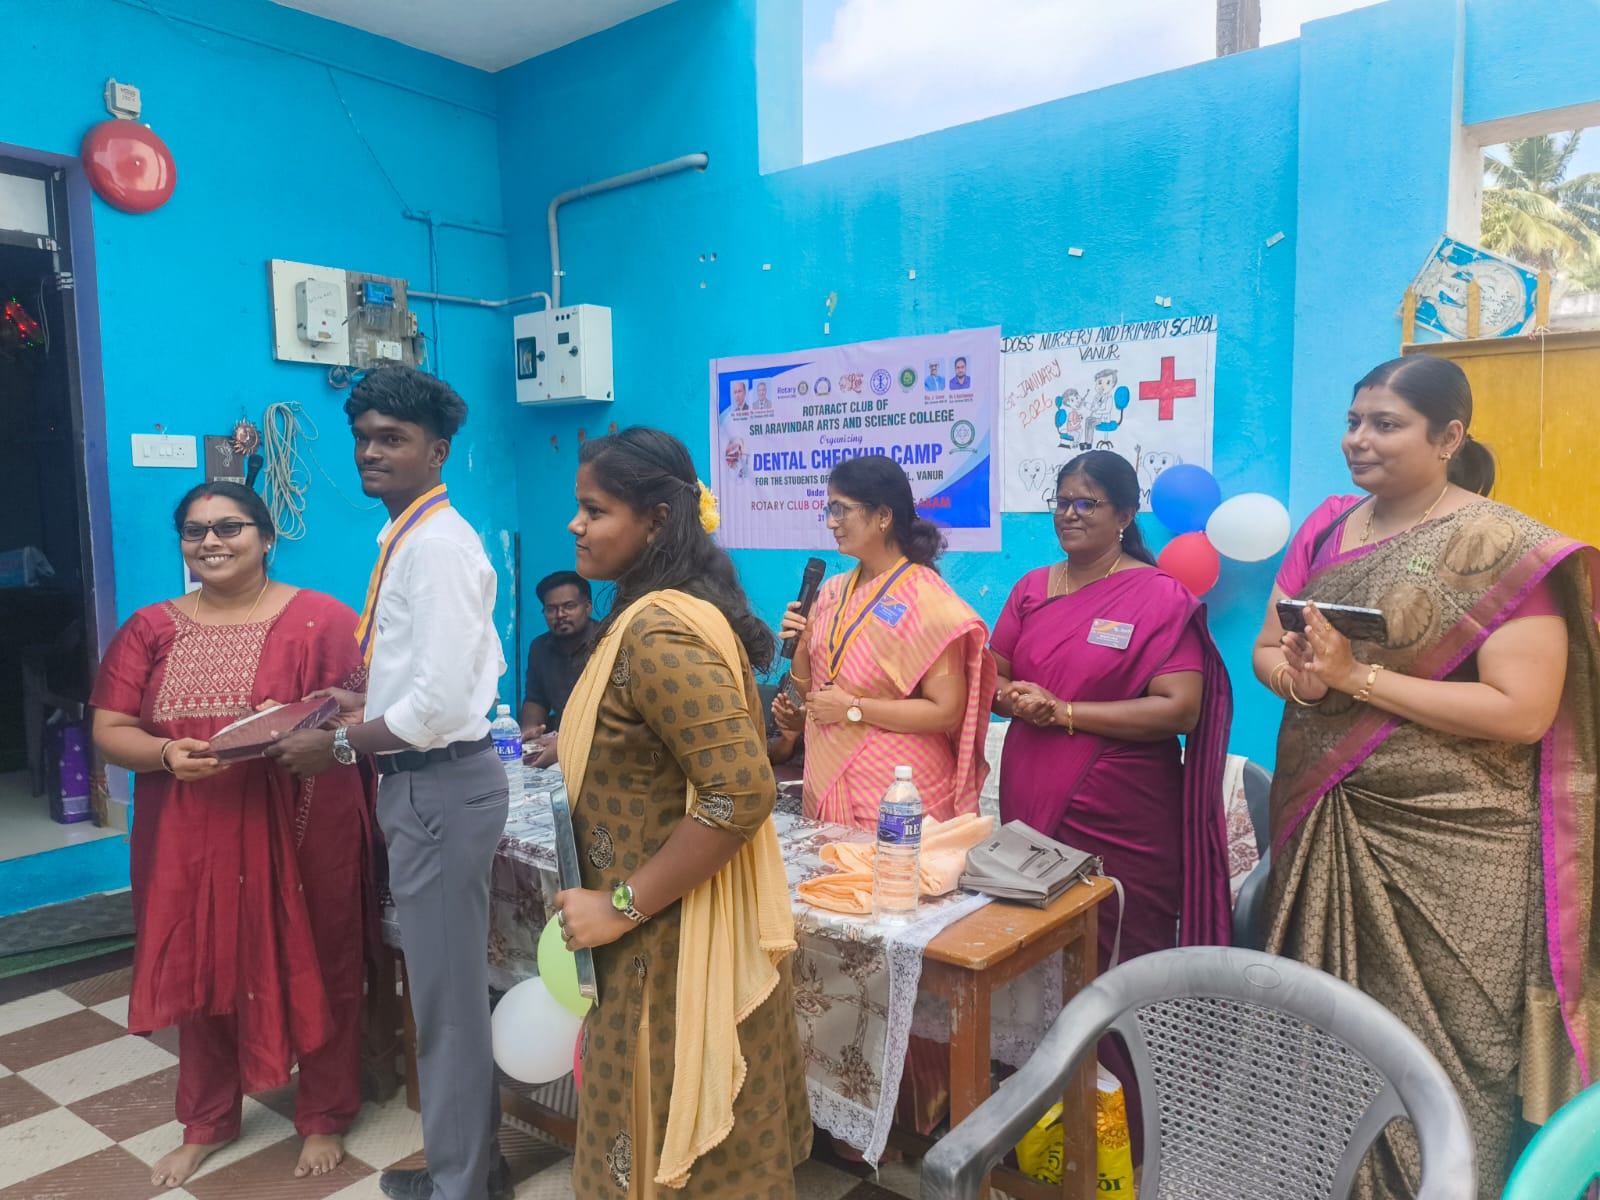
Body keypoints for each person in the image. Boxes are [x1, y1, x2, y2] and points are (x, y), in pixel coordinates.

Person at [1252, 355, 1600, 1198]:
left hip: (1457, 842)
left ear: (1449, 437)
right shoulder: (1326, 531)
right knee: (1324, 1027)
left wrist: (1355, 680)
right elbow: (1268, 648)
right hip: (1331, 814)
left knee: (1448, 1049)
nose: (1358, 440)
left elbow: (1522, 709)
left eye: (1386, 424)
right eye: (1353, 420)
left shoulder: (1499, 544)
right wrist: (1300, 675)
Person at [268, 365, 511, 1200]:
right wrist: (366, 700)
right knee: (445, 996)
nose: (372, 452)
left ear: (437, 451)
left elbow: (441, 706)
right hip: (426, 778)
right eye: (364, 438)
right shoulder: (409, 536)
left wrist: (336, 749)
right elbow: (450, 674)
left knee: (446, 1009)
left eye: (393, 439)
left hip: (437, 781)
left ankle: (462, 1187)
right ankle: (472, 1165)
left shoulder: (436, 546)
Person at [90, 482, 374, 1189]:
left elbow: (368, 710)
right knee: (200, 964)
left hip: (303, 822)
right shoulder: (148, 628)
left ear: (267, 536)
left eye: (229, 527)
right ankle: (207, 1121)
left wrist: (306, 720)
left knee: (322, 953)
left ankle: (325, 1112)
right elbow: (109, 728)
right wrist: (164, 755)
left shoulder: (322, 619)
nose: (210, 542)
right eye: (194, 531)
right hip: (187, 831)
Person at [551, 426, 810, 1198]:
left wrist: (620, 906)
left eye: (594, 510)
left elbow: (740, 792)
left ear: (657, 520)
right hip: (646, 933)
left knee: (667, 1131)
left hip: (663, 941)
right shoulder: (653, 612)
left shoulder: (661, 631)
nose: (576, 525)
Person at [993, 451, 1233, 969]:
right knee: (1028, 935)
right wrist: (1009, 696)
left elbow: (1179, 709)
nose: (1070, 514)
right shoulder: (1031, 588)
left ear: (1124, 516)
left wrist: (1065, 713)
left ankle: (1118, 1051)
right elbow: (992, 673)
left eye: (1087, 503)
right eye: (1062, 503)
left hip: (1122, 808)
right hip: (1030, 784)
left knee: (1114, 936)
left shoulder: (1158, 595)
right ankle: (1043, 1050)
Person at [775, 454, 995, 828]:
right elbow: (815, 691)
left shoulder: (929, 601)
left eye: (841, 510)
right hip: (827, 777)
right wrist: (801, 647)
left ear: (883, 516)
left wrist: (854, 708)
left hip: (898, 794)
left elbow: (946, 711)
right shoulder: (831, 592)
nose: (832, 522)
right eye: (829, 510)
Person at [518, 570, 595, 767]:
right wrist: (530, 733)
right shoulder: (540, 648)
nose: (560, 615)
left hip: (602, 746)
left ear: (587, 607)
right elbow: (536, 699)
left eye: (569, 606)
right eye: (551, 609)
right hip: (557, 747)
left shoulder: (609, 642)